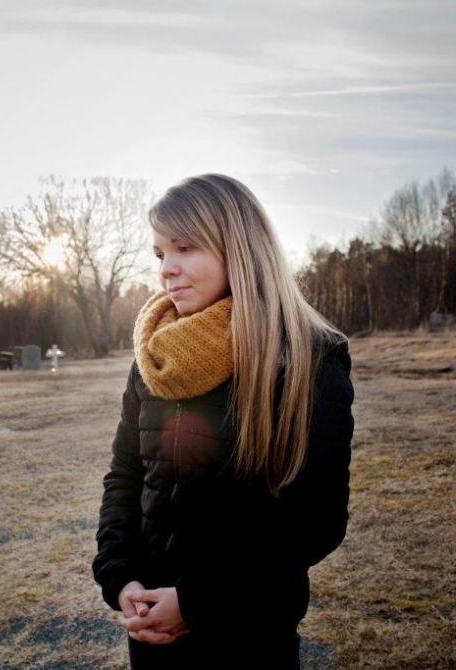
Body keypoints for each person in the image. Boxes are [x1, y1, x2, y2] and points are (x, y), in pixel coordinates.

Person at [92, 174, 355, 668]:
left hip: (249, 634)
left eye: (185, 247)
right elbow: (125, 476)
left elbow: (314, 520)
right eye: (159, 254)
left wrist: (196, 603)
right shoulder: (155, 357)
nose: (167, 269)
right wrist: (121, 576)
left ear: (238, 248)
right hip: (151, 631)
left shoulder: (306, 358)